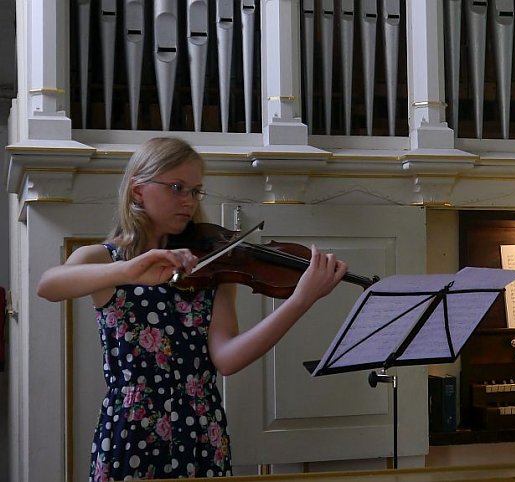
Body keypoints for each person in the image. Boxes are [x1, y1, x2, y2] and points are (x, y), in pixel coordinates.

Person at [37, 137, 347, 480]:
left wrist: (299, 301)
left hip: (202, 428)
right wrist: (130, 270)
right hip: (133, 431)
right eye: (176, 187)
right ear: (138, 191)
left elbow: (227, 358)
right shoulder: (104, 259)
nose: (188, 200)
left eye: (195, 191)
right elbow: (48, 285)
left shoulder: (211, 266)